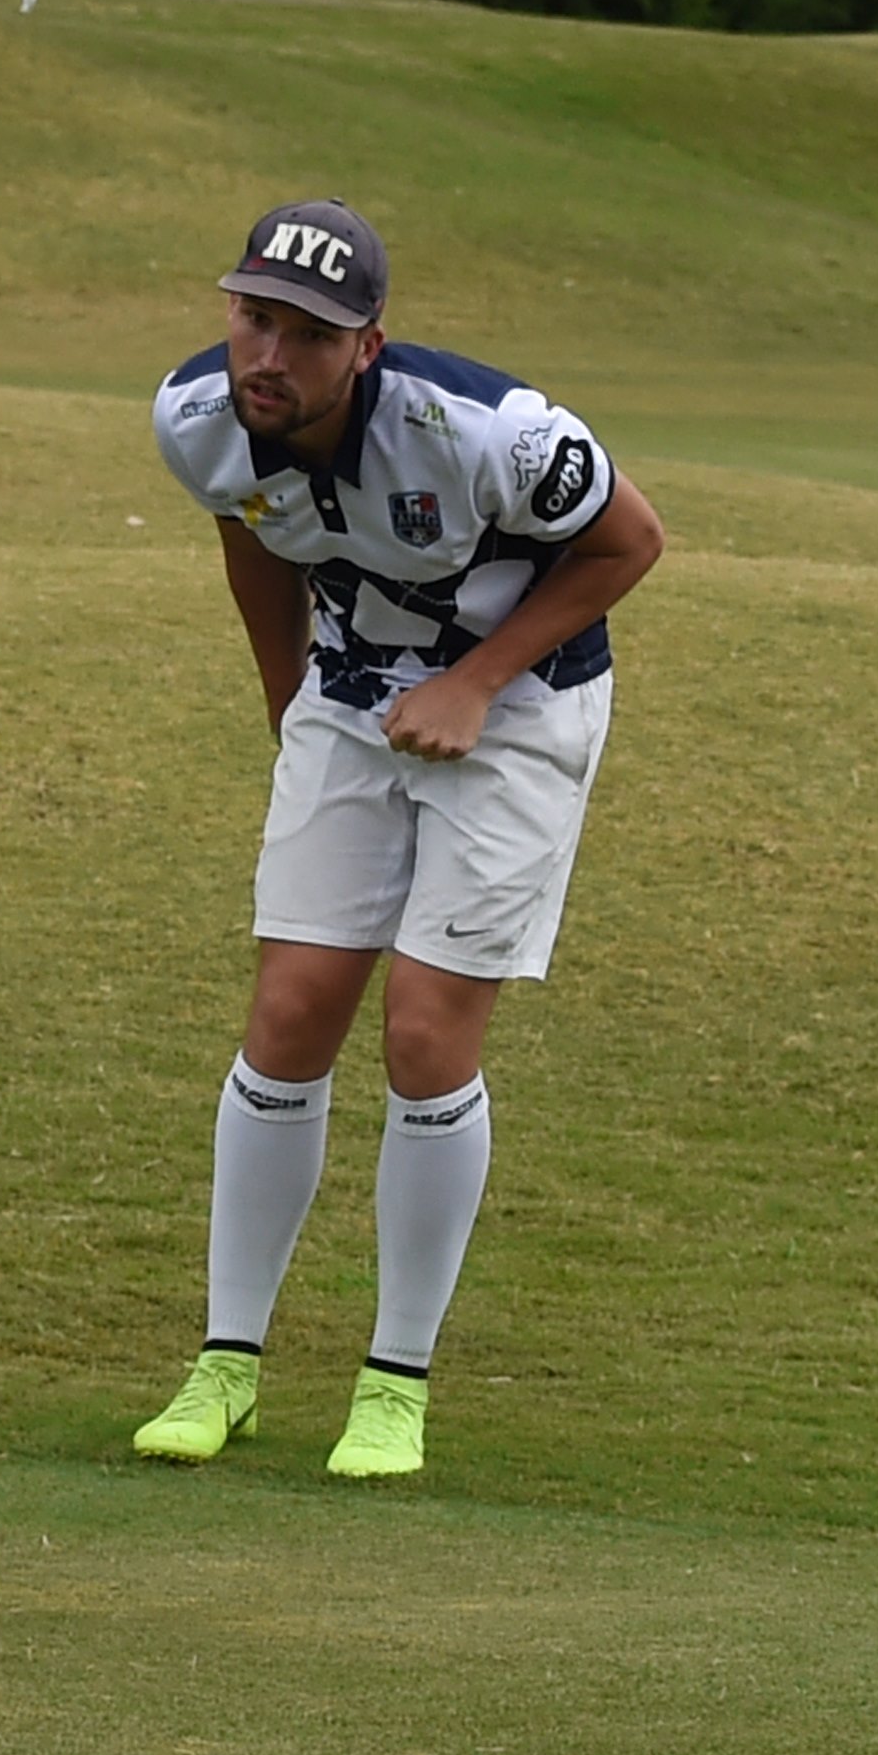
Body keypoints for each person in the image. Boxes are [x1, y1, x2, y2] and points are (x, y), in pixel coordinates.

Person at [126, 196, 668, 1484]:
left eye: (305, 335)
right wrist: (291, 705)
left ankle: (393, 1383)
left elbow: (630, 541)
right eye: (252, 319)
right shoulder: (197, 418)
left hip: (521, 707)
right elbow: (247, 534)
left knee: (425, 1034)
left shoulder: (492, 434)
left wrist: (474, 684)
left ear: (364, 347)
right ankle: (227, 1366)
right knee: (289, 1011)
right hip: (354, 693)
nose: (268, 355)